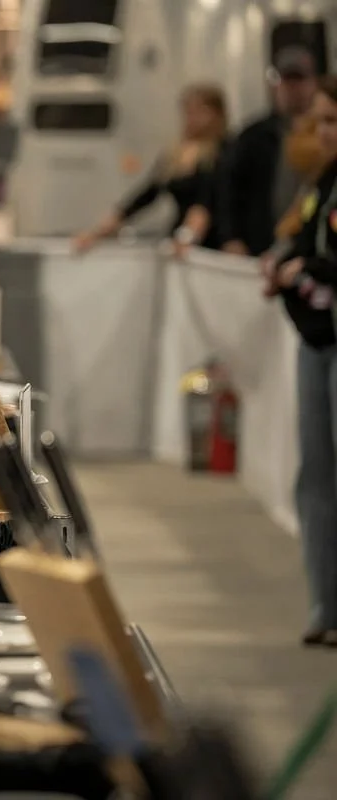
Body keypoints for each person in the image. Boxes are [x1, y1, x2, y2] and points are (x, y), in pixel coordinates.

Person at [266, 75, 337, 649]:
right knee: (315, 477)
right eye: (321, 121)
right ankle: (325, 605)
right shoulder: (320, 184)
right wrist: (285, 262)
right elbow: (307, 239)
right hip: (316, 340)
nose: (324, 132)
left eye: (333, 121)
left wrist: (307, 271)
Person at [73, 83, 230, 256]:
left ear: (216, 114)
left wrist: (188, 236)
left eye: (199, 112)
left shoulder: (224, 151)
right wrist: (100, 230)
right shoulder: (175, 153)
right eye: (188, 112)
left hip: (209, 241)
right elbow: (147, 194)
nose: (192, 118)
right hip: (178, 237)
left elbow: (205, 202)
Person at [217, 46, 319, 257]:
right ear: (275, 85)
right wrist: (231, 237)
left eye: (299, 80)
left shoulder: (324, 135)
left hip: (310, 248)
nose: (293, 88)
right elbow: (229, 190)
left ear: (313, 83)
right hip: (259, 247)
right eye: (286, 80)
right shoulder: (253, 136)